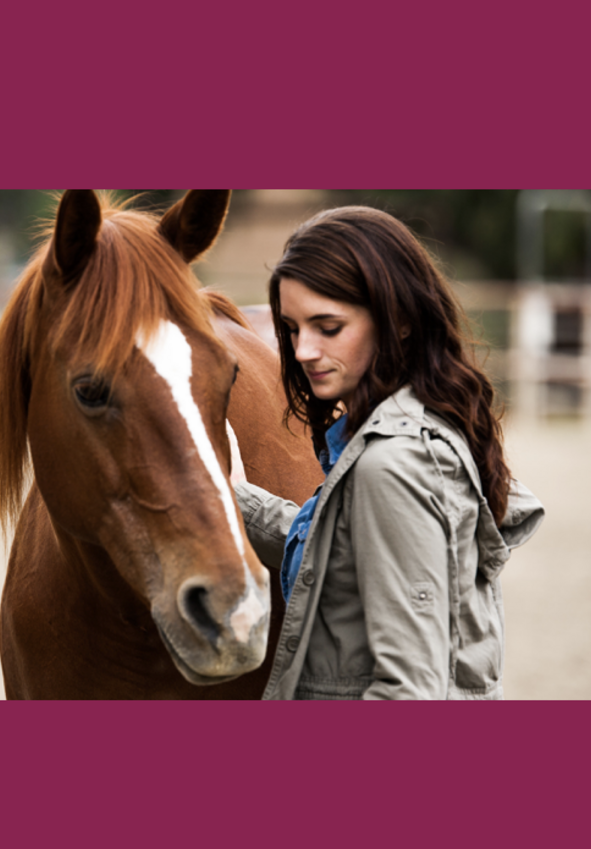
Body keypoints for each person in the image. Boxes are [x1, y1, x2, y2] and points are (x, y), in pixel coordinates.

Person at [231, 206, 545, 700]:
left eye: (328, 327)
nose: (302, 350)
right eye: (291, 329)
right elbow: (336, 548)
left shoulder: (391, 464)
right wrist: (234, 497)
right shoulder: (418, 427)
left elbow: (410, 691)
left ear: (398, 321)